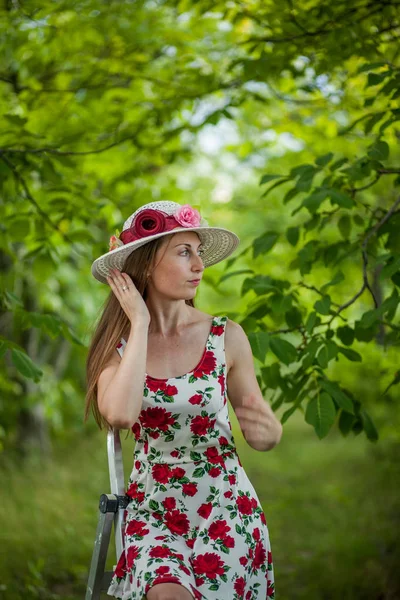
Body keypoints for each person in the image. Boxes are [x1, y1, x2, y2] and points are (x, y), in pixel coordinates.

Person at [85, 200, 283, 600]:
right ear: (143, 267)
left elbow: (261, 435)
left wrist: (269, 429)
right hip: (152, 510)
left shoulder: (226, 337)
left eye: (199, 253)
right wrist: (139, 323)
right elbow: (121, 414)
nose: (199, 265)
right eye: (183, 252)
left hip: (225, 505)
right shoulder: (117, 347)